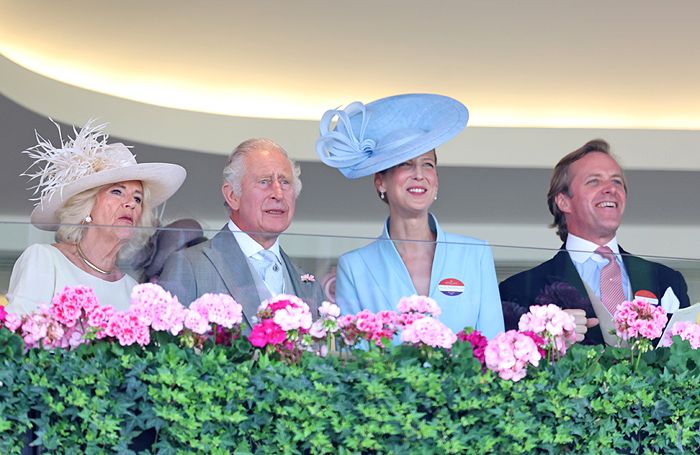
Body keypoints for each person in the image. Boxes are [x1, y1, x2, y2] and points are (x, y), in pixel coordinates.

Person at [316, 94, 505, 338]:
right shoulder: (354, 267)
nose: (419, 174)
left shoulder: (474, 254)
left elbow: (492, 345)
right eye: (405, 164)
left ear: (436, 181)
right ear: (380, 181)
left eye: (428, 164)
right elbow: (355, 358)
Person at [499, 139, 690, 345]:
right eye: (594, 181)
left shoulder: (667, 280)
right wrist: (548, 342)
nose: (610, 189)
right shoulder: (519, 290)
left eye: (617, 181)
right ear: (563, 201)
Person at [7, 120, 186, 314]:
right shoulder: (45, 260)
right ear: (87, 206)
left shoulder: (132, 290)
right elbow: (19, 338)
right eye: (117, 192)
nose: (131, 203)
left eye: (138, 198)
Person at [159, 138, 323, 326]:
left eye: (285, 182)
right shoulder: (189, 266)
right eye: (264, 181)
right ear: (232, 196)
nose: (278, 193)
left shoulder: (309, 286)